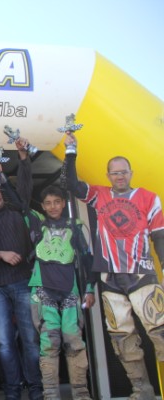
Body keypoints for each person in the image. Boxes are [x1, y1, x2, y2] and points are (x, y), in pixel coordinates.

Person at [64, 133, 164, 400]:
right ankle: (141, 389)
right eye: (115, 173)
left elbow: (160, 236)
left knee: (160, 331)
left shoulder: (149, 198)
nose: (120, 177)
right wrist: (71, 150)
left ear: (131, 173)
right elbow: (71, 184)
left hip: (142, 274)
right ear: (108, 175)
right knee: (122, 337)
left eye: (123, 172)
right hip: (110, 279)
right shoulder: (99, 195)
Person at [0, 138, 43, 400]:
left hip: (24, 282)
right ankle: (12, 391)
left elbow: (24, 187)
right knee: (3, 344)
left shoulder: (17, 212)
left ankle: (36, 390)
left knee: (30, 339)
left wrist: (22, 158)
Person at [27, 185, 96, 400]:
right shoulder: (37, 224)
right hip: (42, 291)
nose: (53, 206)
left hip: (69, 291)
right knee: (49, 344)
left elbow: (88, 259)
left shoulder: (75, 225)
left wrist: (90, 288)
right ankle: (50, 395)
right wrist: (3, 175)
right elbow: (19, 200)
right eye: (48, 203)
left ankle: (81, 394)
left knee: (74, 341)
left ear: (64, 203)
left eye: (57, 202)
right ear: (42, 206)